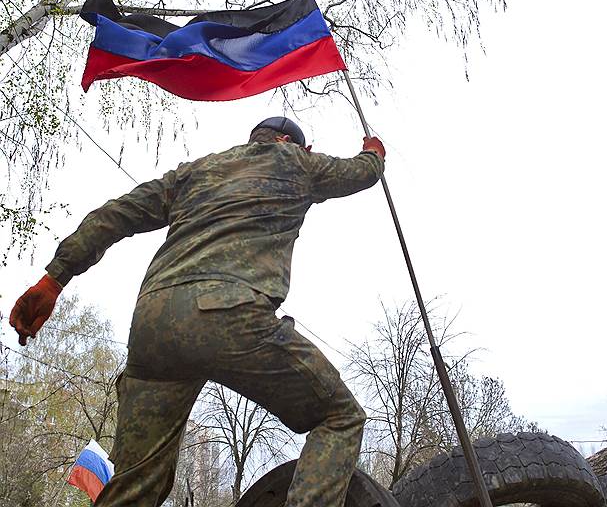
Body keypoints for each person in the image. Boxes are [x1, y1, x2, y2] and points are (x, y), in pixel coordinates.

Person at [8, 116, 386, 507]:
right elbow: (358, 173)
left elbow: (116, 213)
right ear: (290, 142)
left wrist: (54, 279)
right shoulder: (294, 162)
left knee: (135, 485)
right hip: (230, 313)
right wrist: (374, 153)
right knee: (340, 417)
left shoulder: (195, 172)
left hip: (154, 326)